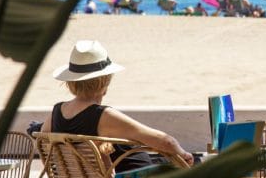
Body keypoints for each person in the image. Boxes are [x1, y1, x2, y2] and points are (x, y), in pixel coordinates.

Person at [40, 40, 194, 171]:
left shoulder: (55, 114)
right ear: (105, 81)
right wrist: (183, 154)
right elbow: (166, 142)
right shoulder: (102, 116)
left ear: (71, 82)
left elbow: (43, 146)